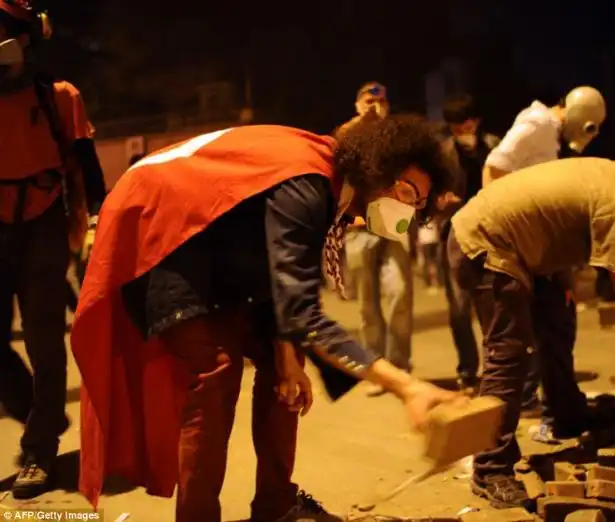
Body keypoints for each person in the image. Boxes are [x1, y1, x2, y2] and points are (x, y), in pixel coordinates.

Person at [71, 114, 462, 522]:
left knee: (284, 374)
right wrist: (407, 387)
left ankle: (276, 507)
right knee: (217, 370)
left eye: (418, 205)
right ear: (379, 165)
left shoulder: (330, 187)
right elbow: (300, 308)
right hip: (166, 241)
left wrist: (287, 354)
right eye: (406, 192)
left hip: (225, 262)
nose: (408, 210)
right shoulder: (307, 184)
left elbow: (285, 285)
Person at [448, 141, 615, 508]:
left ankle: (566, 413)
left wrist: (562, 283)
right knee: (509, 353)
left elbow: (558, 221)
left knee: (557, 317)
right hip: (484, 242)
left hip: (519, 246)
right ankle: (491, 465)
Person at [0, 0, 106, 499]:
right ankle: (40, 413)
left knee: (45, 344)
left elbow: (88, 171)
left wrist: (94, 225)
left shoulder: (59, 98)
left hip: (43, 224)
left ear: (25, 38)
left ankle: (39, 452)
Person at [481, 86, 606, 423]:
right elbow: (493, 168)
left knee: (547, 327)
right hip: (520, 246)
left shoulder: (549, 133)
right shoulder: (537, 123)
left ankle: (553, 408)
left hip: (533, 247)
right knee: (545, 328)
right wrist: (506, 234)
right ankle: (554, 412)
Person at [337, 83, 415, 395]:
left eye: (380, 101)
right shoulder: (350, 133)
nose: (374, 106)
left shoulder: (394, 134)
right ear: (357, 105)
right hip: (357, 224)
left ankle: (400, 367)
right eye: (368, 101)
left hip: (391, 219)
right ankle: (378, 371)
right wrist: (362, 122)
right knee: (367, 305)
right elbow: (334, 145)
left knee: (400, 291)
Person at [437, 94, 500, 393]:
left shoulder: (494, 146)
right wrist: (442, 202)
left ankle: (496, 369)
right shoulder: (443, 152)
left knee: (492, 303)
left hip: (491, 232)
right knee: (460, 308)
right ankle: (467, 371)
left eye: (467, 123)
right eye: (456, 126)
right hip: (454, 233)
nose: (463, 130)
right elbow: (431, 194)